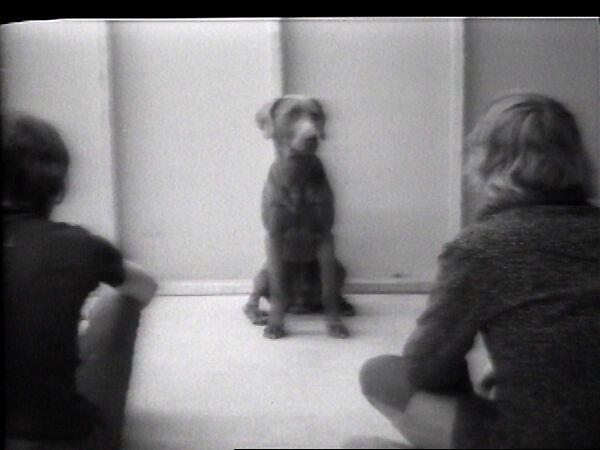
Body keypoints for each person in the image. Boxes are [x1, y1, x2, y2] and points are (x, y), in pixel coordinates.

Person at [351, 93, 600, 448]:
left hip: (533, 440)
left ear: (486, 160)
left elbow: (426, 368)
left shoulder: (481, 247)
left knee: (379, 377)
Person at [3, 113, 158, 450]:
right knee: (120, 300)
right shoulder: (78, 245)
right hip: (58, 439)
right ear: (54, 182)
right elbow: (145, 288)